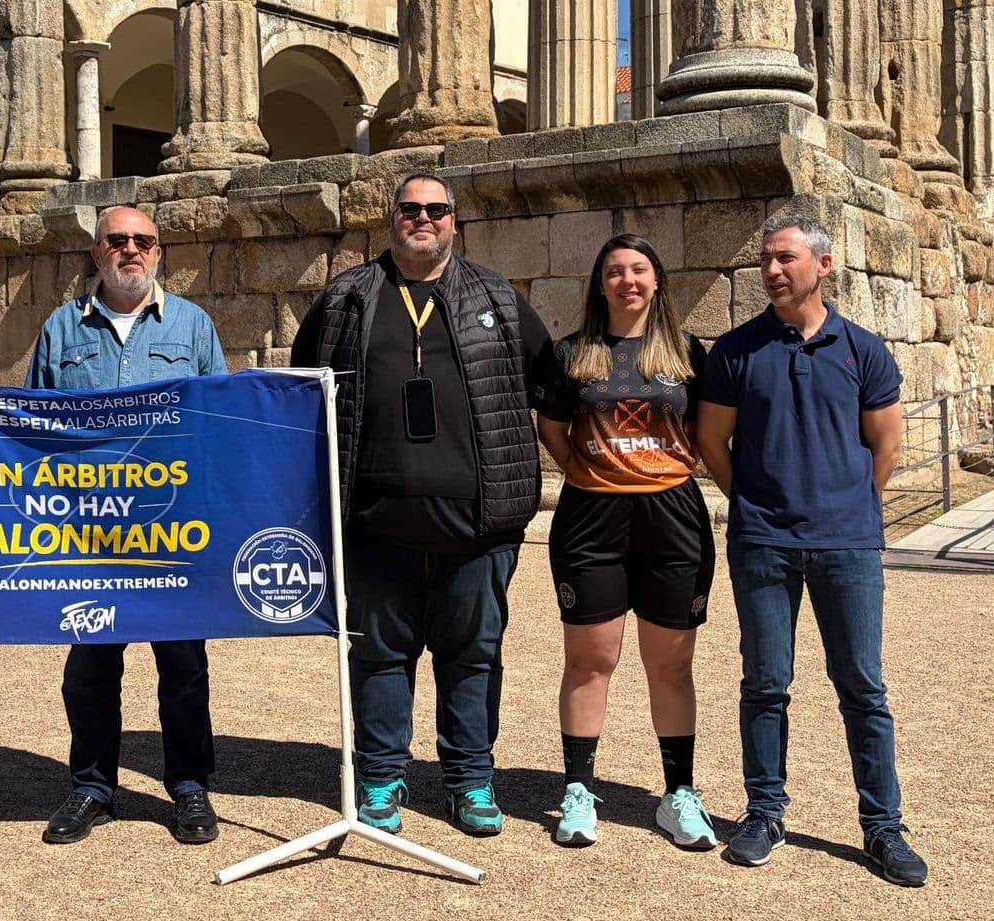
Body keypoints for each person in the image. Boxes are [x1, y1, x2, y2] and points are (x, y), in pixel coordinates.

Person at [290, 173, 553, 837]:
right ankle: (380, 774)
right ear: (391, 219)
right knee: (379, 653)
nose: (424, 219)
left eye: (437, 210)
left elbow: (548, 384)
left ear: (454, 222)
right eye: (411, 209)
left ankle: (469, 779)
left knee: (473, 654)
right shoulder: (348, 298)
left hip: (479, 521)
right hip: (374, 521)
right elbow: (299, 392)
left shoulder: (496, 294)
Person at [695, 214, 926, 886]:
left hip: (846, 546)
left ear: (822, 265)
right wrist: (757, 502)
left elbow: (886, 447)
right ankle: (765, 812)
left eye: (785, 258)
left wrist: (846, 504)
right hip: (763, 543)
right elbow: (713, 442)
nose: (772, 270)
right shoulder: (737, 351)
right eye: (765, 259)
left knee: (863, 688)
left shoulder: (864, 350)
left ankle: (883, 826)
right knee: (765, 685)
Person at [26, 205, 228, 846]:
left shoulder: (193, 326)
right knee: (90, 664)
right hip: (88, 532)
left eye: (144, 241)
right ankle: (91, 787)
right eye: (118, 241)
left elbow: (217, 423)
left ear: (160, 252)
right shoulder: (62, 328)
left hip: (172, 534)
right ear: (97, 254)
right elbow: (32, 426)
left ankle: (191, 789)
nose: (131, 251)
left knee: (183, 663)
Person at [533, 234, 717, 850]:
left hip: (673, 517)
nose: (627, 281)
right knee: (591, 660)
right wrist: (594, 470)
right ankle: (579, 790)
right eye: (615, 271)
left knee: (670, 663)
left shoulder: (689, 353)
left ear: (658, 280)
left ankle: (678, 793)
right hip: (592, 518)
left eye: (639, 269)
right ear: (600, 284)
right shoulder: (570, 354)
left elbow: (706, 430)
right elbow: (553, 429)